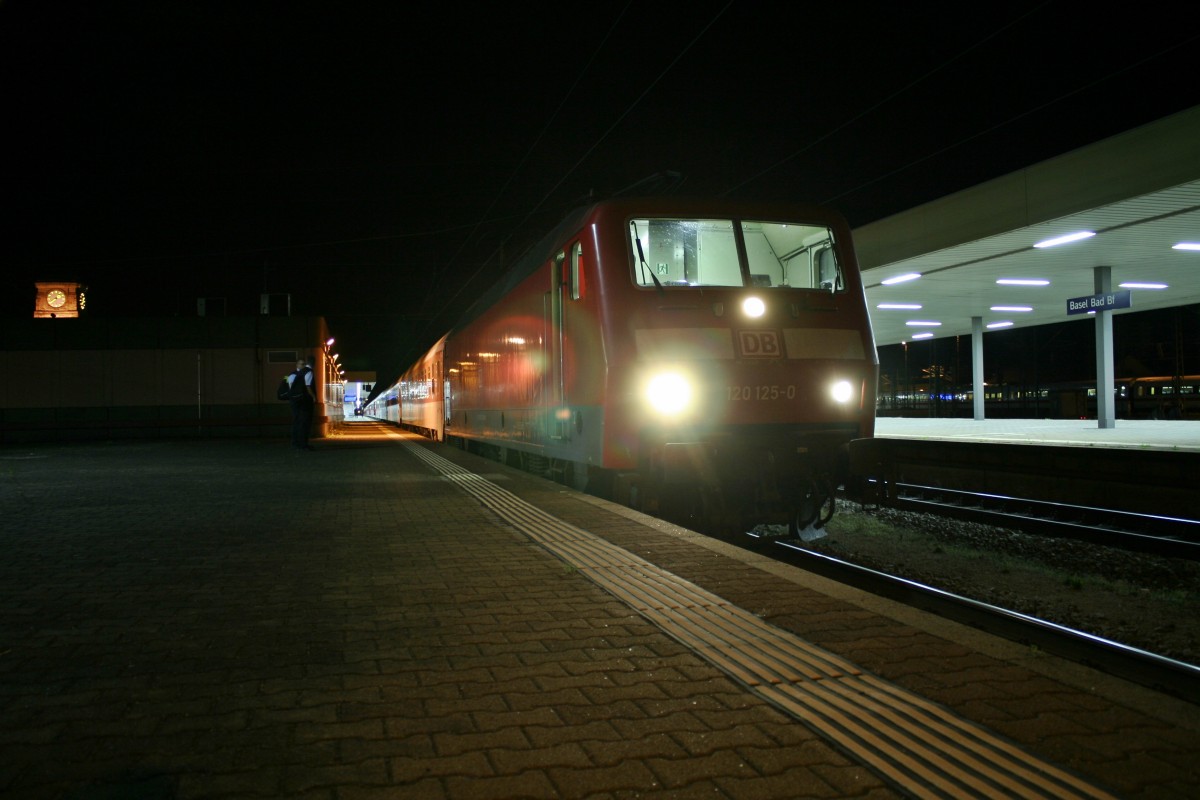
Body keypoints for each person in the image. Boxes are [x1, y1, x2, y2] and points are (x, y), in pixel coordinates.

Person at [286, 356, 317, 451]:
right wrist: (314, 397)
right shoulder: (308, 372)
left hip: (294, 401)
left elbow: (290, 387)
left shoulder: (292, 374)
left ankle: (295, 443)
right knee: (305, 422)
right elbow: (308, 387)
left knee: (296, 422)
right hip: (304, 401)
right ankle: (303, 444)